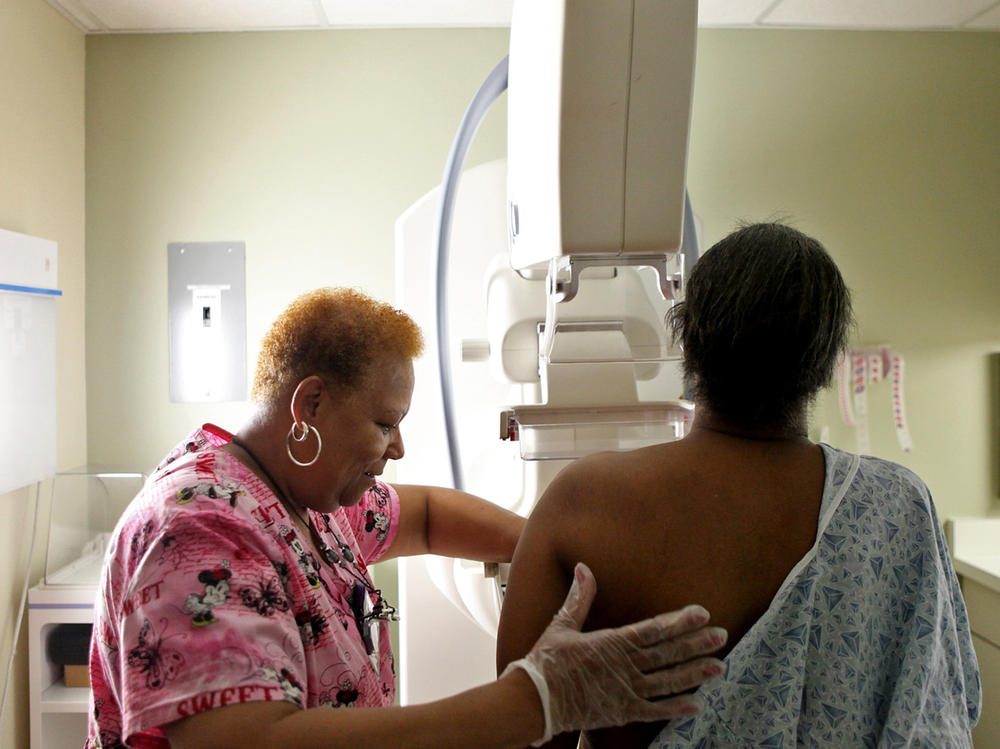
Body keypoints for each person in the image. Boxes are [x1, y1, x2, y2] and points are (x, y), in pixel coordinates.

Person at [86, 287, 728, 749]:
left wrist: (553, 551)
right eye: (384, 423)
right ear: (310, 402)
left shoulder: (305, 497)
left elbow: (423, 515)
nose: (398, 448)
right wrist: (533, 701)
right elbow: (248, 740)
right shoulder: (198, 529)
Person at [496, 222, 981, 748]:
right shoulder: (897, 507)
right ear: (825, 362)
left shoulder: (584, 501)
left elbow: (517, 734)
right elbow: (946, 708)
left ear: (687, 338)